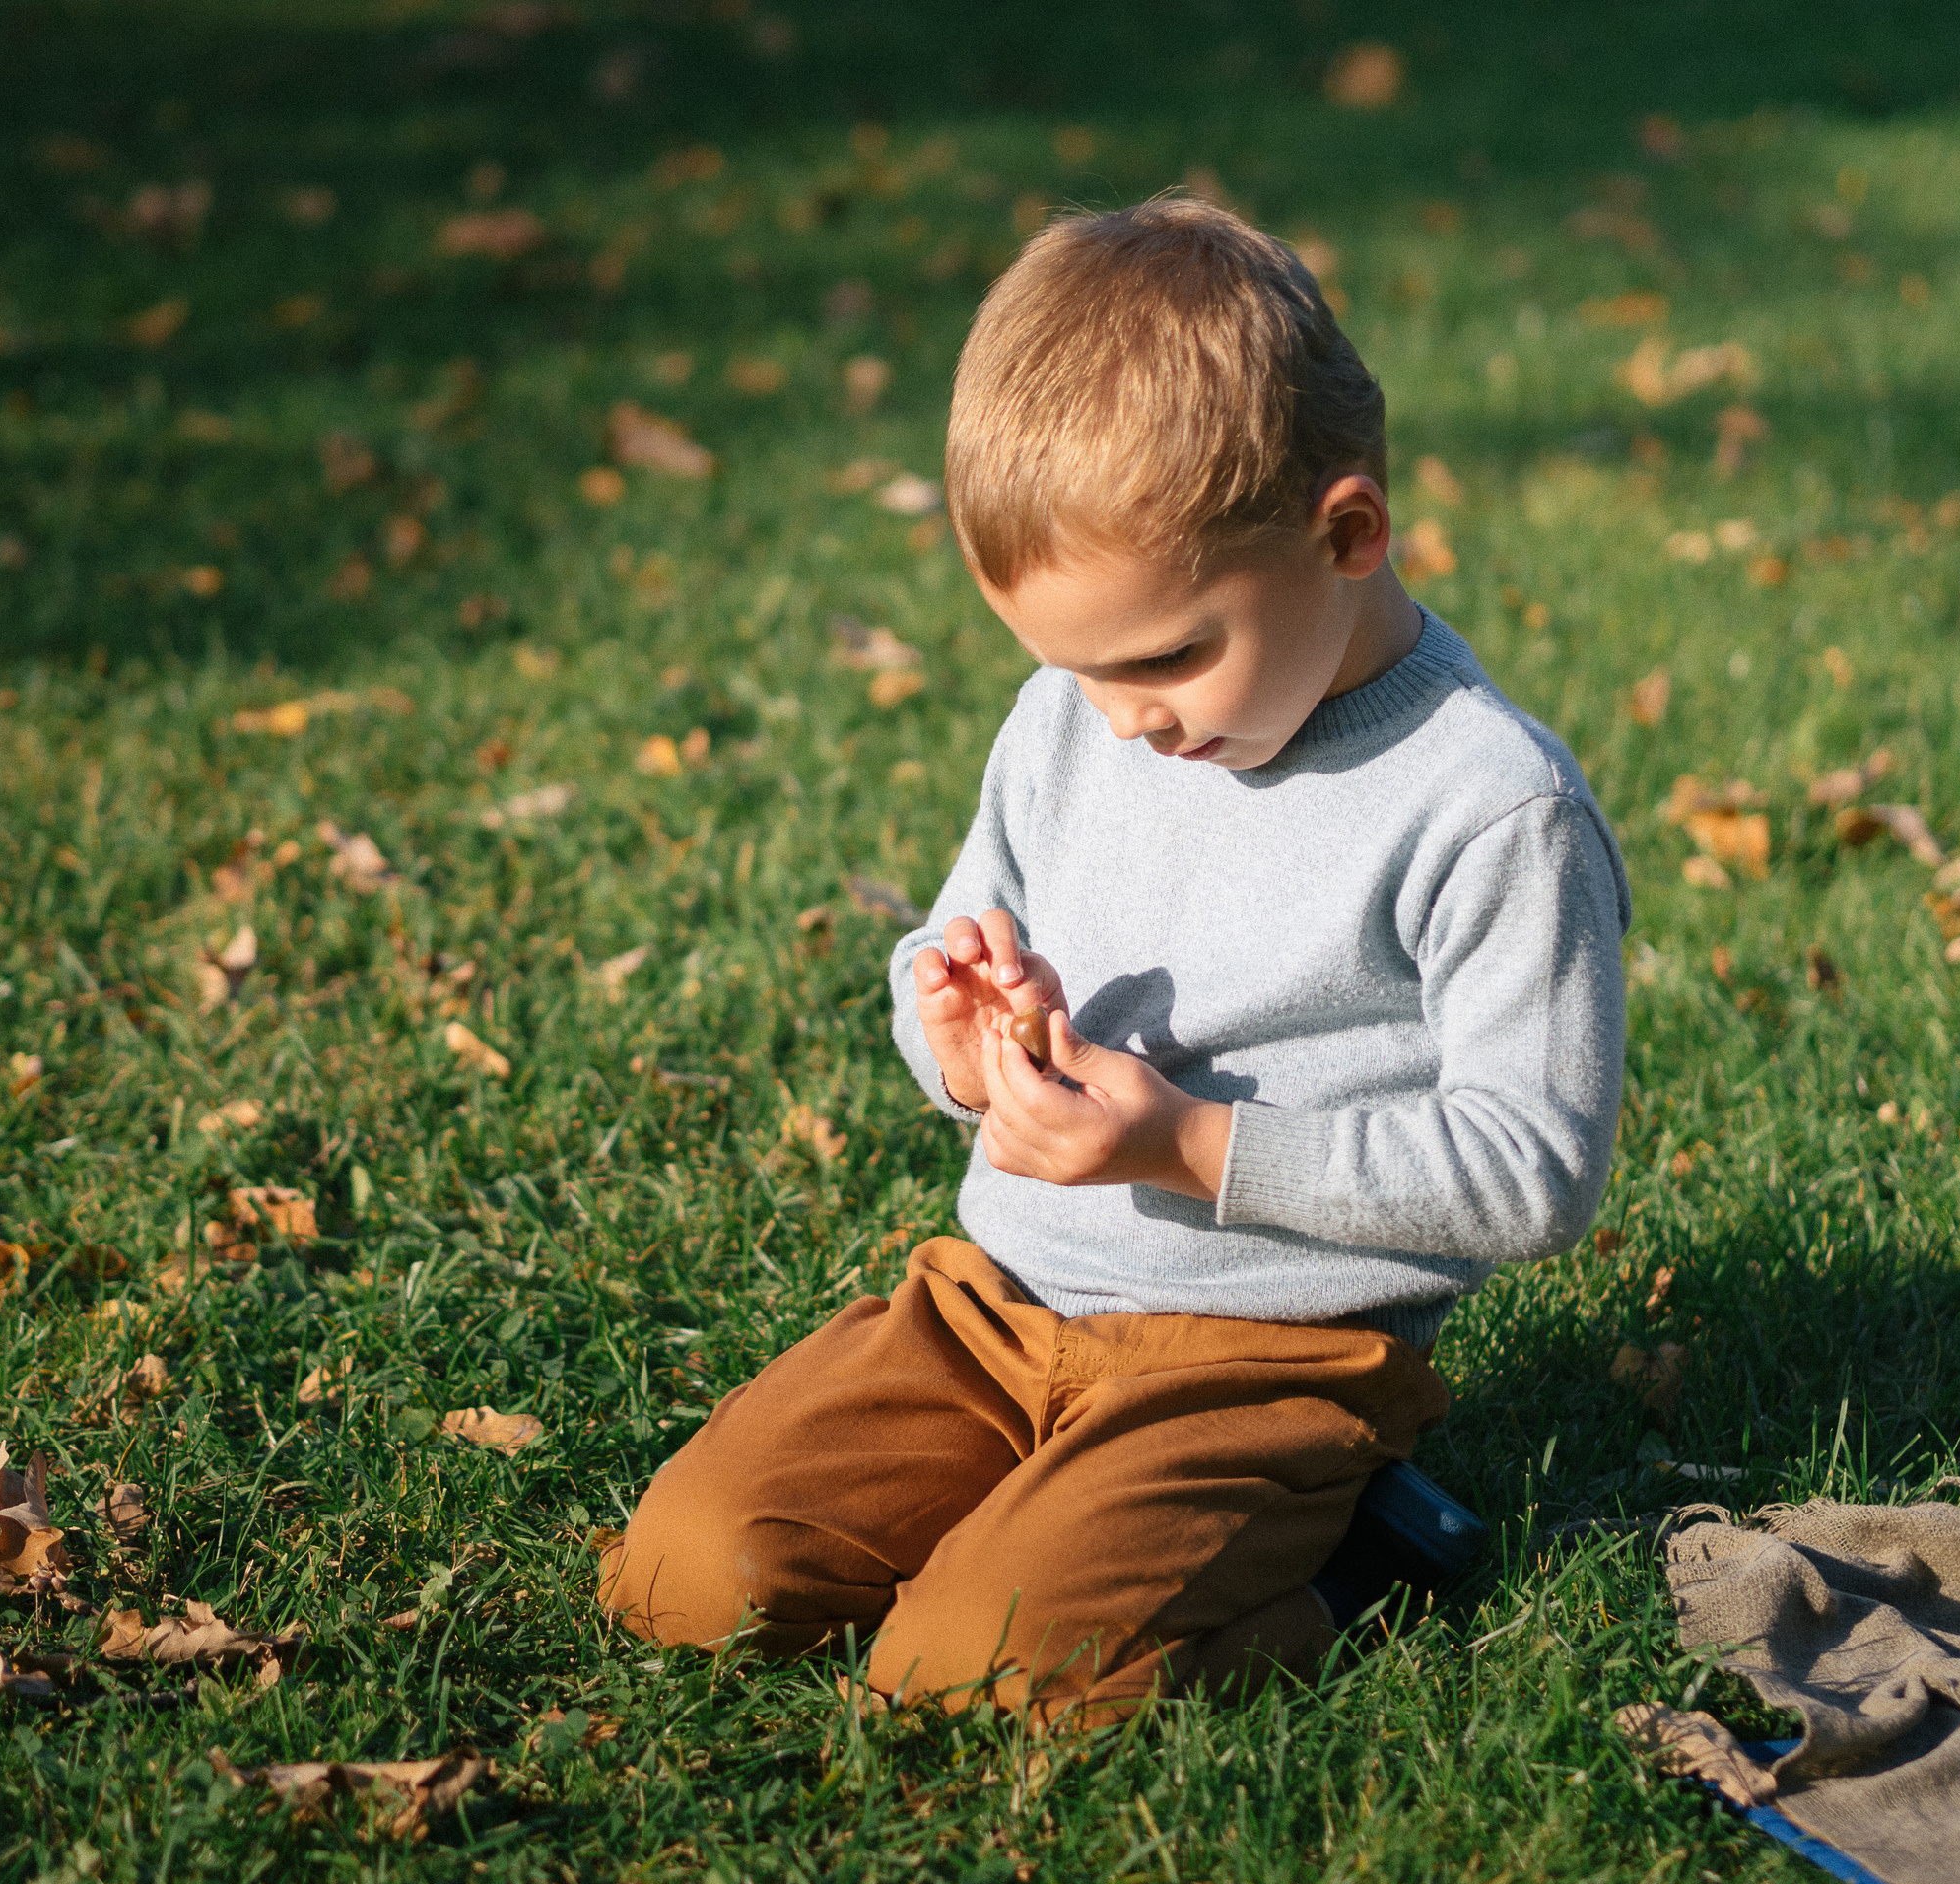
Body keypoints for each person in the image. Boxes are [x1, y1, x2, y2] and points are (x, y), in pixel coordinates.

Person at [599, 196, 1630, 1725]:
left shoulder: (1488, 809)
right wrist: (962, 1042)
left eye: (1166, 659)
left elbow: (1530, 1173)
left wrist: (1187, 1145)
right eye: (1073, 667)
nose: (1126, 719)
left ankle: (1361, 1564)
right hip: (995, 1307)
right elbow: (950, 939)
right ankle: (1032, 1514)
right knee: (685, 1578)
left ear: (1348, 535)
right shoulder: (1072, 722)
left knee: (975, 1673)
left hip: (1262, 1365)